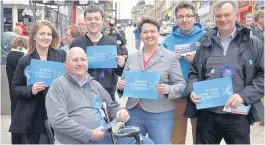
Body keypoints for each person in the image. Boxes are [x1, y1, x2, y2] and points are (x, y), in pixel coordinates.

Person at [186, 1, 264, 144]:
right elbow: (194, 73)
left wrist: (243, 96)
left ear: (235, 15)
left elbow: (262, 76)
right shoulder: (204, 44)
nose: (222, 19)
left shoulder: (253, 43)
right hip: (207, 115)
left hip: (238, 115)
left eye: (226, 15)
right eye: (218, 16)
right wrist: (192, 90)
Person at [45, 47, 154, 144]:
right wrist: (89, 134)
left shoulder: (94, 84)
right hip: (76, 140)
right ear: (66, 64)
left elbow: (111, 105)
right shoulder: (58, 85)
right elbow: (58, 120)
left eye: (83, 59)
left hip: (104, 136)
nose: (80, 63)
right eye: (75, 60)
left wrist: (120, 112)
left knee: (146, 142)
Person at [117, 17, 187, 144]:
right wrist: (120, 87)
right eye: (145, 32)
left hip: (160, 114)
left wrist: (169, 89)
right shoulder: (132, 58)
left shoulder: (170, 57)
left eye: (153, 31)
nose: (149, 35)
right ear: (140, 34)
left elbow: (181, 85)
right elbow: (123, 82)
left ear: (158, 33)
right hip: (134, 112)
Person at [10, 20, 66, 144]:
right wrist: (31, 90)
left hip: (56, 111)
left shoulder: (61, 55)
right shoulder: (25, 60)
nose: (46, 37)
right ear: (34, 36)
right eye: (42, 34)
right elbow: (15, 87)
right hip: (33, 115)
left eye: (49, 34)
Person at [162, 2, 206, 144]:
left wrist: (199, 59)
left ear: (195, 17)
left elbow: (215, 63)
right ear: (176, 19)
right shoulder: (167, 41)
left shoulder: (206, 37)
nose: (184, 20)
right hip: (177, 94)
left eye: (188, 16)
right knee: (177, 137)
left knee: (199, 135)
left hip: (200, 93)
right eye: (180, 16)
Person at [70, 6, 126, 101]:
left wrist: (121, 65)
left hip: (107, 94)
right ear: (85, 21)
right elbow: (69, 70)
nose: (93, 22)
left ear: (102, 20)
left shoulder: (111, 43)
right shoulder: (77, 43)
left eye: (97, 18)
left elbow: (118, 72)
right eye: (89, 19)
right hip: (81, 94)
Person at [6, 36, 27, 144]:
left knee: (14, 116)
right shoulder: (22, 56)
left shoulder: (9, 55)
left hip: (12, 88)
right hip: (21, 89)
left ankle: (14, 141)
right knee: (21, 117)